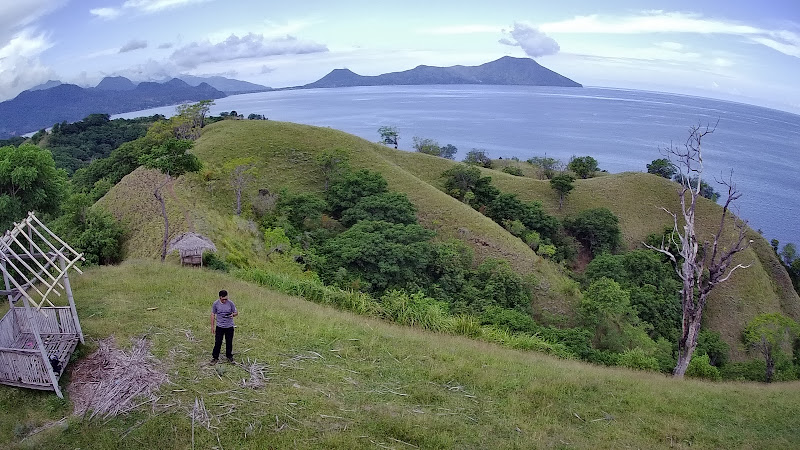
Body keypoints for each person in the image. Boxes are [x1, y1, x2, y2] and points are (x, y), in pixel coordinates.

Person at [210, 289, 238, 364]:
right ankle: (215, 357)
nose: (225, 301)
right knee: (218, 342)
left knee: (229, 342)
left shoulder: (230, 303)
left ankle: (229, 356)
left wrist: (233, 315)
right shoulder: (215, 304)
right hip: (220, 326)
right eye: (223, 299)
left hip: (229, 326)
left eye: (226, 299)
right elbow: (213, 314)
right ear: (220, 297)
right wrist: (212, 326)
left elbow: (236, 312)